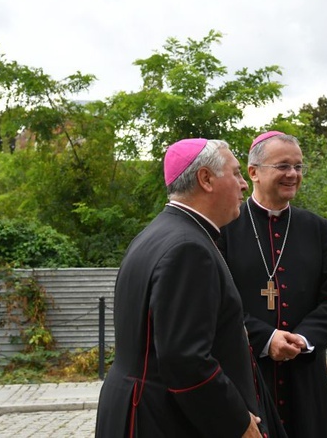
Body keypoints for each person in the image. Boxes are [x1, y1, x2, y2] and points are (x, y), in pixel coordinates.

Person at [96, 138, 285, 438]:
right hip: (162, 418)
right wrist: (236, 420)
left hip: (138, 406)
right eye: (235, 173)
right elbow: (185, 358)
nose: (244, 185)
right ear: (206, 179)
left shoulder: (159, 232)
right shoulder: (188, 248)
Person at [220, 131, 327, 438]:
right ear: (253, 172)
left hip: (304, 375)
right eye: (283, 166)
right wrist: (266, 338)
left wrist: (302, 340)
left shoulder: (315, 227)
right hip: (247, 371)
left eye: (298, 166)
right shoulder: (226, 226)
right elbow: (217, 303)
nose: (293, 174)